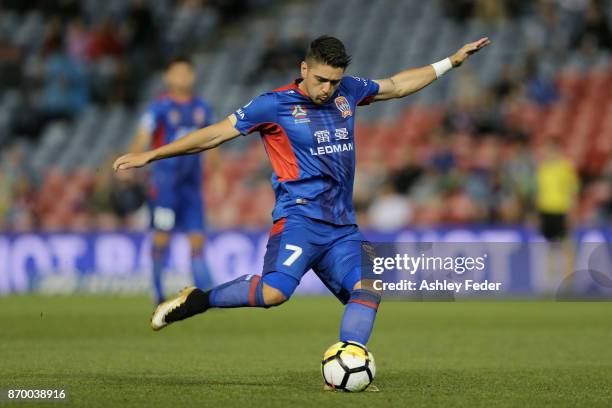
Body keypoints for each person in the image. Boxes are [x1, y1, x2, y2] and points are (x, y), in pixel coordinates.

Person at [113, 35, 489, 368]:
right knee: (273, 293)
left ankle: (349, 359)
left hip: (342, 227)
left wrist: (449, 63)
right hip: (300, 221)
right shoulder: (272, 105)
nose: (327, 89)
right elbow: (214, 135)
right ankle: (200, 299)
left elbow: (396, 85)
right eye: (320, 79)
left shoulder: (349, 92)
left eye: (334, 81)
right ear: (304, 68)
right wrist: (152, 155)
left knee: (371, 284)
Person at [124, 56, 215, 304]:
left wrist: (216, 172)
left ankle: (204, 295)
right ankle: (157, 291)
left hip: (191, 185)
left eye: (186, 73)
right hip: (165, 184)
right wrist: (134, 158)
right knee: (162, 236)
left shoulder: (202, 108)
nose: (182, 78)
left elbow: (212, 141)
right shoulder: (159, 107)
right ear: (167, 77)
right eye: (177, 73)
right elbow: (144, 135)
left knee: (197, 238)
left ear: (193, 76)